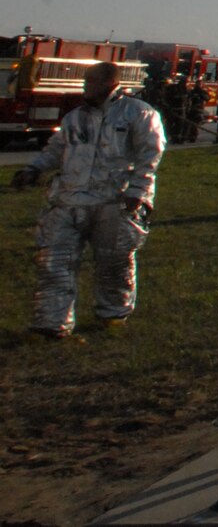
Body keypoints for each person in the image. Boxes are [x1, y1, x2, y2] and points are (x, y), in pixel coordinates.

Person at [11, 61, 167, 339]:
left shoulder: (139, 114)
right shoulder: (74, 118)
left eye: (91, 82)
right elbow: (56, 149)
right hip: (69, 201)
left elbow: (150, 155)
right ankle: (52, 323)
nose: (86, 87)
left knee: (114, 264)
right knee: (54, 261)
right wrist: (33, 169)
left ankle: (113, 315)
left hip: (115, 202)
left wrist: (138, 192)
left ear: (109, 83)